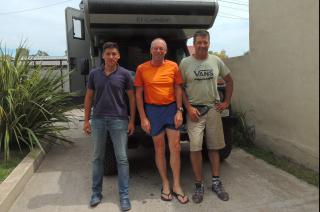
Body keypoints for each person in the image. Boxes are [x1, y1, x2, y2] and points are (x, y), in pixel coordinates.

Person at [179, 30, 233, 203]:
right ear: (194, 44)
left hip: (213, 110)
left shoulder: (216, 61)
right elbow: (179, 87)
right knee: (195, 147)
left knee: (214, 147)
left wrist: (226, 102)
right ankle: (198, 184)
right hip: (194, 112)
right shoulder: (185, 63)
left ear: (209, 43)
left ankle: (216, 182)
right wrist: (188, 108)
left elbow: (230, 80)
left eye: (205, 42)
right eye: (199, 42)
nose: (202, 45)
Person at [134, 38, 189, 204]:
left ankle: (177, 185)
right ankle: (165, 183)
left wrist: (179, 111)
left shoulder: (173, 66)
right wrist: (143, 117)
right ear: (151, 51)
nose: (158, 51)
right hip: (152, 111)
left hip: (171, 109)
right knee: (159, 149)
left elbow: (178, 88)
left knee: (176, 147)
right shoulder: (141, 69)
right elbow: (138, 95)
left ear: (165, 51)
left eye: (161, 49)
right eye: (155, 48)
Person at [83, 42, 135, 211]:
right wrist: (86, 120)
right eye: (108, 54)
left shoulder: (125, 74)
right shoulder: (94, 74)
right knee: (98, 158)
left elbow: (132, 99)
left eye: (114, 54)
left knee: (122, 159)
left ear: (118, 56)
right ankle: (96, 193)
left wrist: (132, 120)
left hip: (119, 121)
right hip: (98, 120)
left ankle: (124, 196)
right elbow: (89, 97)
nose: (111, 56)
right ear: (103, 56)